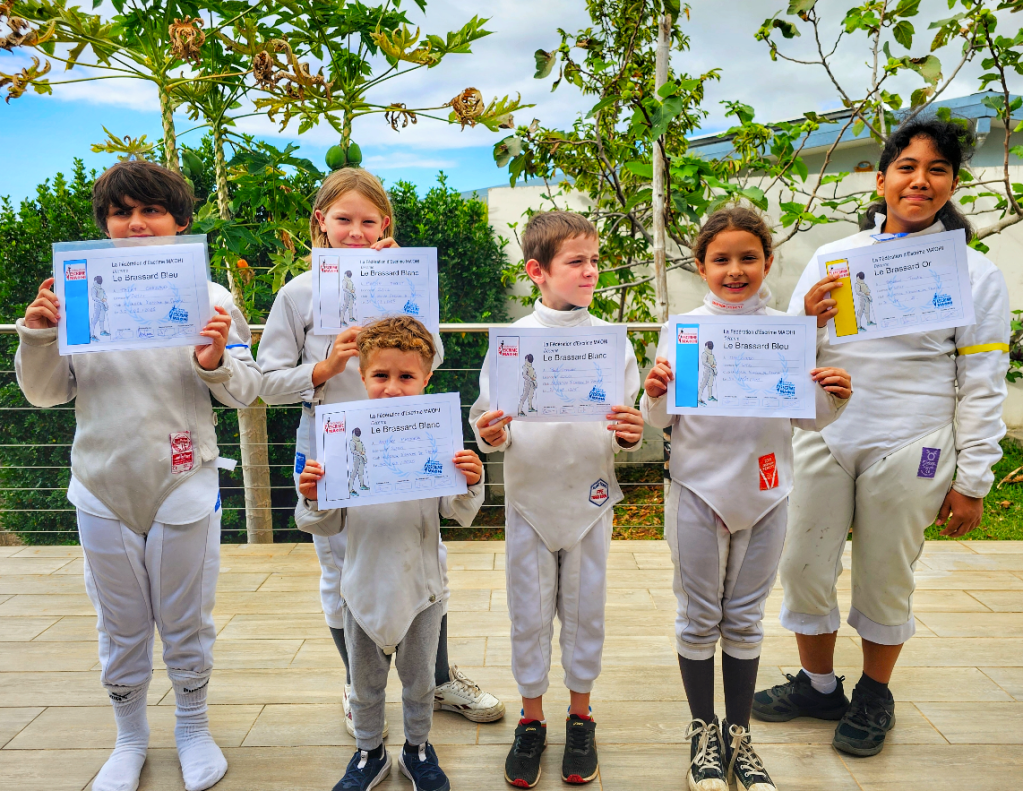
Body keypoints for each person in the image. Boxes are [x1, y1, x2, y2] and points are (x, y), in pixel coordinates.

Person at [752, 118, 1011, 758]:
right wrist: (804, 317)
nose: (920, 181)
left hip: (913, 437)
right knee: (802, 564)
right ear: (882, 177)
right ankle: (817, 686)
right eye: (907, 167)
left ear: (952, 184)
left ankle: (873, 693)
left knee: (885, 573)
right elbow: (788, 357)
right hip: (827, 432)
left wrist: (973, 478)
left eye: (938, 170)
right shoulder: (833, 259)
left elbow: (982, 380)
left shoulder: (976, 274)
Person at [15, 160, 263, 791]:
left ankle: (192, 726)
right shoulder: (75, 294)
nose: (136, 224)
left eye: (151, 211)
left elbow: (246, 390)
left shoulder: (212, 297)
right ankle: (129, 737)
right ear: (104, 224)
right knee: (119, 620)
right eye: (121, 212)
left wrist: (213, 363)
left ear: (180, 222)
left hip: (184, 478)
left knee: (186, 615)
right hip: (101, 481)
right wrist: (39, 338)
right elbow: (47, 394)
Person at [256, 167, 504, 742]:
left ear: (384, 225)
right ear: (321, 223)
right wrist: (324, 368)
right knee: (338, 567)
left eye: (369, 221)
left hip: (407, 438)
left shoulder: (404, 280)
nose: (356, 232)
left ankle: (438, 679)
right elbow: (266, 382)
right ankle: (356, 684)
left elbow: (432, 357)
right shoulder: (296, 295)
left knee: (427, 559)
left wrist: (400, 289)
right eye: (343, 220)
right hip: (329, 445)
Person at [641, 206, 852, 791]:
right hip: (697, 489)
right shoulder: (684, 326)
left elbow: (805, 418)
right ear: (700, 265)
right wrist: (654, 392)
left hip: (766, 493)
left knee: (745, 619)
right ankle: (701, 733)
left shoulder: (788, 331)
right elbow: (660, 417)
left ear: (768, 261)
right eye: (721, 259)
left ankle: (740, 737)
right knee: (698, 616)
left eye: (748, 258)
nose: (735, 270)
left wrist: (834, 398)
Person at [470, 210, 644, 787]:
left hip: (591, 502)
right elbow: (489, 422)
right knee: (528, 614)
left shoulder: (613, 345)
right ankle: (532, 718)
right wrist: (492, 434)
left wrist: (630, 432)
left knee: (584, 612)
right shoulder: (511, 343)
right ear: (537, 271)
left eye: (595, 260)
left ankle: (580, 715)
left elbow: (624, 420)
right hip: (528, 503)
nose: (591, 271)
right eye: (576, 261)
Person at [296, 316, 485, 791]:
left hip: (423, 589)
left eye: (407, 377)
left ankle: (418, 748)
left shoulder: (439, 441)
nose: (393, 388)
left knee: (420, 681)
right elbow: (324, 523)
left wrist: (471, 481)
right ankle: (368, 751)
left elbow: (457, 512)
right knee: (365, 684)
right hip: (361, 588)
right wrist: (315, 495)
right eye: (381, 376)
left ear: (426, 379)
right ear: (361, 376)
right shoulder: (338, 445)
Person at [348, 427, 369, 496]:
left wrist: (363, 452)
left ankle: (362, 485)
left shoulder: (360, 442)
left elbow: (364, 449)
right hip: (357, 458)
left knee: (361, 473)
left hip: (361, 458)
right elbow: (353, 451)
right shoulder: (352, 442)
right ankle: (350, 489)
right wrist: (360, 453)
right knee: (354, 473)